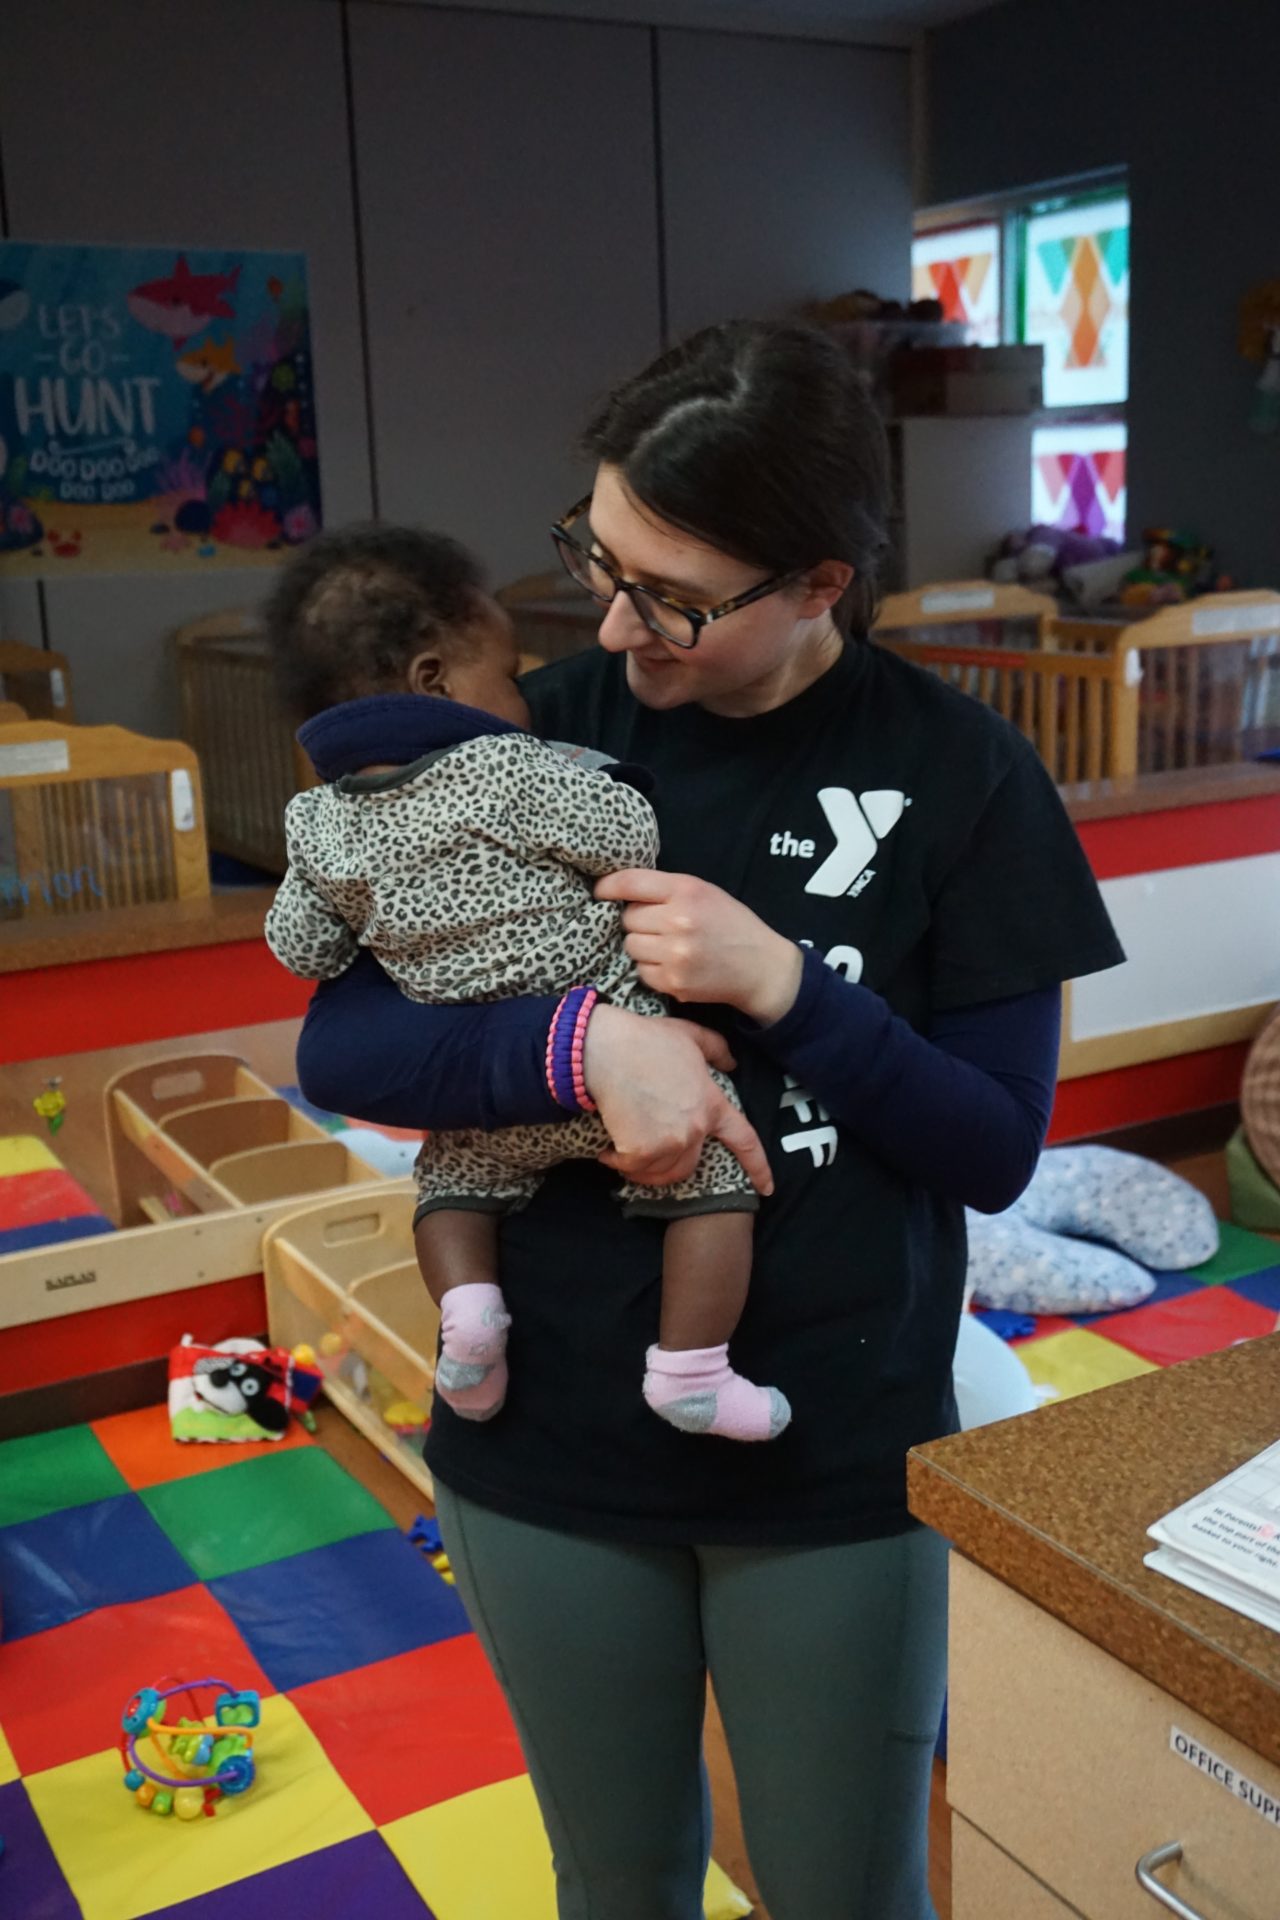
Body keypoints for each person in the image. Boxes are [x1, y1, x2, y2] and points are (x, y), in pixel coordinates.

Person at [294, 319, 1124, 1920]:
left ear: (818, 583)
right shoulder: (525, 736)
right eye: (597, 561)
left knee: (846, 1888)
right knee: (617, 1885)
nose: (612, 627)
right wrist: (580, 1052)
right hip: (540, 1445)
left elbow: (992, 1146)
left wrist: (788, 988)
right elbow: (344, 1041)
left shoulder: (963, 776)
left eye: (671, 598)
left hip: (829, 1462)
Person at [262, 526, 784, 1442]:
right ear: (435, 680)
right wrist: (606, 780)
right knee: (712, 1179)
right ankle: (691, 1372)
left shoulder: (317, 819)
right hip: (610, 1069)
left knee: (447, 1187)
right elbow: (626, 841)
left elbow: (303, 948)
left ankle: (468, 1317)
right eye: (507, 673)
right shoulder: (509, 766)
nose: (524, 695)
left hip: (476, 1098)